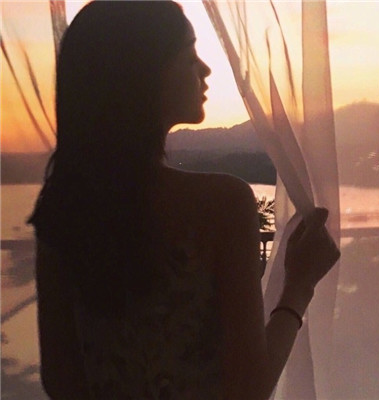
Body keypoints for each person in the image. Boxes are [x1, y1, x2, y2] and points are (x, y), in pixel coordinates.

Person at [29, 1, 340, 399]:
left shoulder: (63, 209)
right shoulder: (222, 205)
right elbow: (248, 390)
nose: (205, 70)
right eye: (190, 57)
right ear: (144, 74)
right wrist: (299, 286)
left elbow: (59, 380)